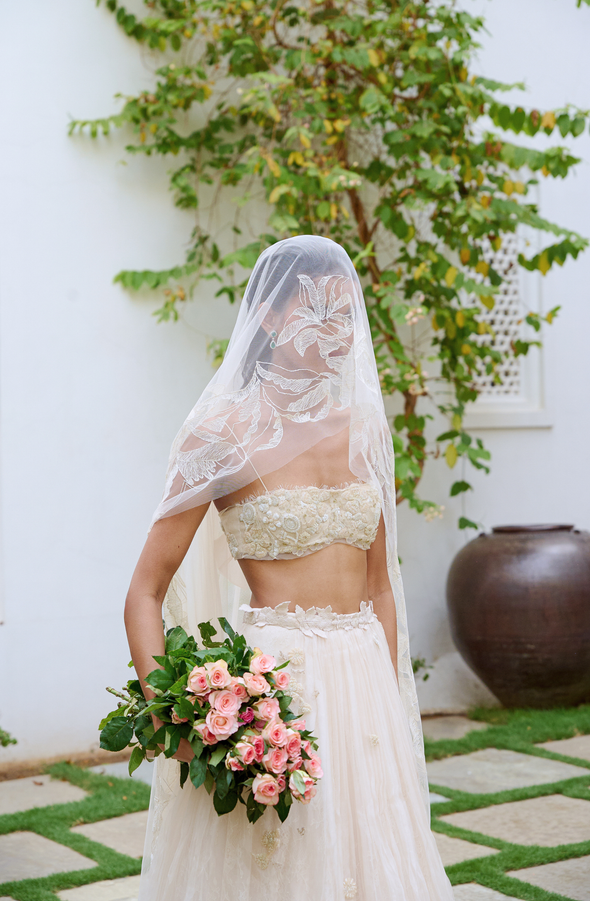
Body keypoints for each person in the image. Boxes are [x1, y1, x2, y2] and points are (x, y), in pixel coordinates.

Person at [125, 235, 454, 900]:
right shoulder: (222, 434)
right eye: (321, 315)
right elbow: (145, 589)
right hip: (277, 686)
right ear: (273, 315)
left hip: (364, 682)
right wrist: (170, 718)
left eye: (346, 316)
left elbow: (381, 586)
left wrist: (387, 700)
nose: (340, 336)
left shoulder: (361, 427)